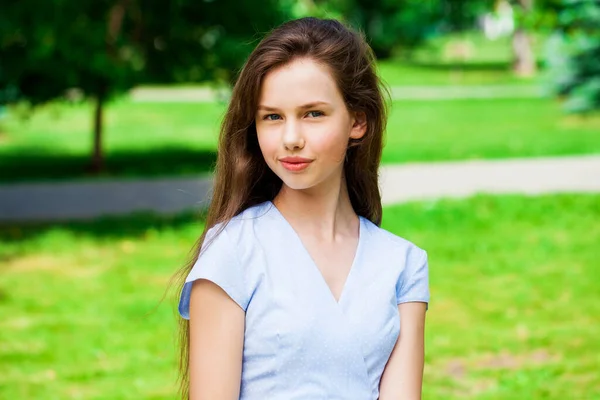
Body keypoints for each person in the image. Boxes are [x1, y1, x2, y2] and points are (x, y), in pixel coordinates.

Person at [175, 16, 430, 400]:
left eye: (313, 114)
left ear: (357, 120)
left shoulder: (402, 264)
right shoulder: (233, 253)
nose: (291, 139)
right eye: (272, 117)